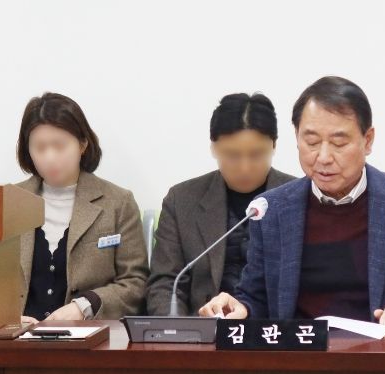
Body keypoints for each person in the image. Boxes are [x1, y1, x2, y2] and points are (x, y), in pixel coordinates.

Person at [199, 76, 385, 325]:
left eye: (339, 143)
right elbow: (256, 299)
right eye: (311, 142)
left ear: (368, 140)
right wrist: (241, 308)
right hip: (300, 359)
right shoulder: (272, 210)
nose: (323, 157)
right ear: (296, 137)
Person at [146, 93, 295, 316]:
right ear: (214, 148)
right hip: (205, 328)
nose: (245, 168)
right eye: (232, 155)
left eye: (256, 155)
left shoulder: (298, 199)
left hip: (274, 330)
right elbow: (166, 283)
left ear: (273, 146)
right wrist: (179, 329)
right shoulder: (182, 200)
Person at [15, 92, 149, 323]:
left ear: (83, 144)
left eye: (59, 146)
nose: (49, 157)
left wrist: (85, 306)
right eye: (39, 147)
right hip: (19, 336)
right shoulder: (10, 201)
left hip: (90, 336)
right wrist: (7, 318)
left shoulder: (118, 202)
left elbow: (136, 282)